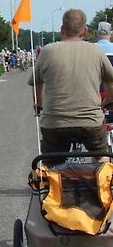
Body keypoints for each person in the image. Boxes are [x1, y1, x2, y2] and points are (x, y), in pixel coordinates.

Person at [28, 9, 113, 155]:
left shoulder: (47, 51)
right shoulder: (96, 51)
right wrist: (108, 100)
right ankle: (98, 171)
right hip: (90, 122)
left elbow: (37, 84)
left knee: (52, 161)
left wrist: (39, 104)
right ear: (85, 31)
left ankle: (54, 171)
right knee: (100, 157)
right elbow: (110, 82)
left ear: (62, 29)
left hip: (55, 124)